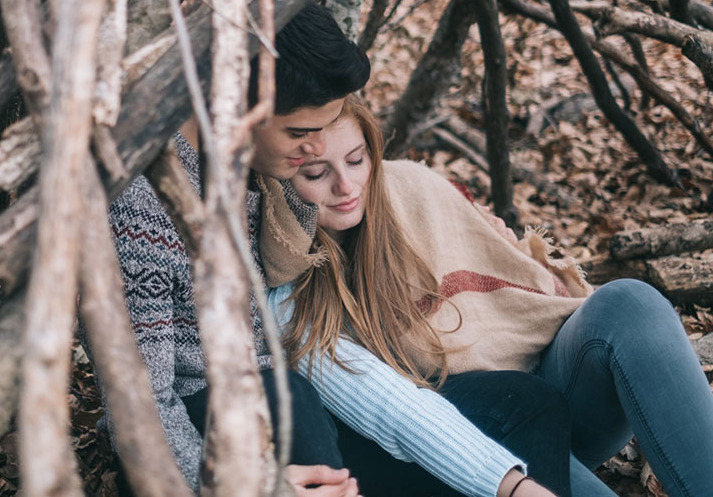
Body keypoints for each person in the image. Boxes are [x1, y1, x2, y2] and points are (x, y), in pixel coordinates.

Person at [100, 3, 563, 497]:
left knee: (526, 404)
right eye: (301, 134)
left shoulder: (261, 171)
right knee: (288, 397)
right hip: (206, 440)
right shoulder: (143, 205)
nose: (317, 149)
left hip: (311, 406)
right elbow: (137, 403)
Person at [265, 96, 713, 497]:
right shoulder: (281, 277)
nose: (347, 187)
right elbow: (397, 412)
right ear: (279, 175)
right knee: (506, 406)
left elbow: (507, 268)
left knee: (630, 304)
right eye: (317, 173)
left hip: (548, 390)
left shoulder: (409, 191)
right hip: (465, 444)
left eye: (357, 160)